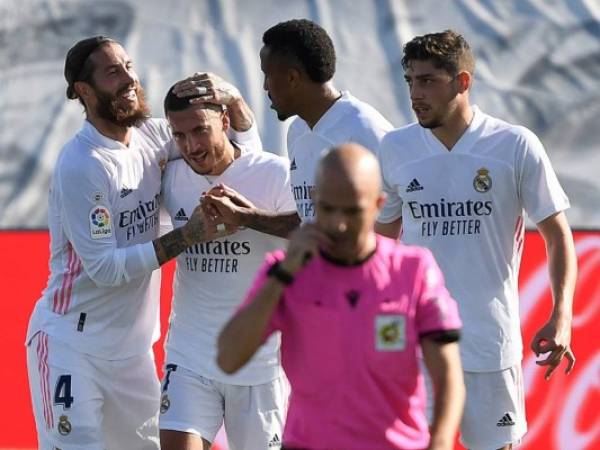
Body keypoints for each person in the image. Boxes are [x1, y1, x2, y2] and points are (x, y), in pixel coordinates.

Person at [25, 36, 256, 449]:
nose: (131, 78)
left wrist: (234, 103)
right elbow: (105, 269)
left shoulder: (153, 136)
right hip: (71, 345)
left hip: (133, 354)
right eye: (114, 72)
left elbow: (230, 153)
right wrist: (188, 236)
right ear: (84, 90)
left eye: (129, 66)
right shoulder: (82, 164)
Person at [375, 30, 577, 450]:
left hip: (488, 343)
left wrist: (562, 316)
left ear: (462, 82)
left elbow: (557, 236)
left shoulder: (513, 144)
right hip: (413, 342)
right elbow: (379, 240)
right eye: (409, 80)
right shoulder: (394, 148)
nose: (415, 92)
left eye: (427, 80)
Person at [218, 144, 465, 450]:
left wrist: (440, 441)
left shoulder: (414, 270)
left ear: (378, 204)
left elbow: (448, 373)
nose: (338, 224)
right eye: (328, 208)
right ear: (313, 201)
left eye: (352, 211)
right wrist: (283, 276)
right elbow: (228, 358)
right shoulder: (284, 272)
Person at [158, 85, 297, 450]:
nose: (191, 146)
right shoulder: (171, 178)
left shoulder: (274, 173)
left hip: (259, 364)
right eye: (180, 135)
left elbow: (314, 233)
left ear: (224, 120)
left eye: (200, 130)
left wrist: (248, 217)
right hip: (190, 356)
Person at [197, 19, 393, 237]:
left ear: (292, 77)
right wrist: (244, 215)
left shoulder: (364, 128)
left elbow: (393, 221)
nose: (264, 87)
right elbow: (307, 222)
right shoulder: (297, 131)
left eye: (267, 75)